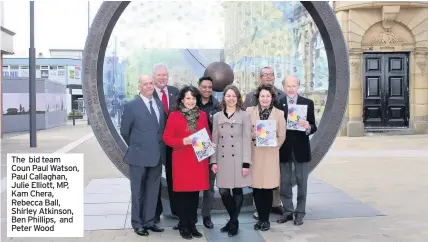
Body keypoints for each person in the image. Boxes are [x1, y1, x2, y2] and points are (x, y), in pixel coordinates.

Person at [162, 85, 211, 240]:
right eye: (188, 98)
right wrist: (183, 141)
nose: (190, 101)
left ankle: (192, 225)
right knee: (183, 195)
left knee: (195, 195)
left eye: (193, 98)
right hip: (182, 160)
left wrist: (210, 143)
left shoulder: (202, 115)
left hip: (198, 160)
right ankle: (183, 226)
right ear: (182, 99)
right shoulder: (174, 115)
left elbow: (207, 134)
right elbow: (167, 138)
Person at [120, 75, 166, 236]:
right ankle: (138, 223)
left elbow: (161, 129)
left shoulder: (159, 104)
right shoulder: (131, 106)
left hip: (156, 156)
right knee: (138, 191)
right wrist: (137, 145)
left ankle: (149, 221)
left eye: (151, 83)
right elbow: (124, 131)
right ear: (139, 86)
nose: (149, 86)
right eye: (145, 84)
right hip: (138, 156)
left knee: (153, 191)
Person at [244, 66, 286, 220]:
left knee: (271, 182)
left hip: (271, 151)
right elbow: (245, 127)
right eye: (265, 75)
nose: (268, 77)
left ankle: (275, 205)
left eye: (271, 74)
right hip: (255, 151)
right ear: (260, 78)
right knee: (257, 184)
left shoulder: (282, 96)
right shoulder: (249, 100)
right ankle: (260, 211)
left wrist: (275, 146)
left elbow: (282, 134)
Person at [210, 85, 251, 237]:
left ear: (238, 98)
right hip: (222, 159)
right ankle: (234, 221)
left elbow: (247, 140)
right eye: (228, 95)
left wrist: (246, 163)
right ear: (224, 98)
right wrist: (213, 161)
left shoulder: (245, 115)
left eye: (234, 96)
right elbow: (214, 139)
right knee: (223, 191)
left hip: (239, 159)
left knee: (238, 190)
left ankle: (233, 223)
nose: (231, 98)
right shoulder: (217, 117)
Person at [277, 75, 317, 226]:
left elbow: (314, 126)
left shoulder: (308, 103)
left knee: (302, 183)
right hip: (284, 149)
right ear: (284, 87)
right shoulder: (278, 104)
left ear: (298, 87)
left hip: (301, 149)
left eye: (294, 86)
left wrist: (308, 127)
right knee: (284, 182)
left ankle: (300, 213)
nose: (291, 89)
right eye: (288, 86)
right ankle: (288, 211)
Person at [152, 63, 180, 222]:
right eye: (159, 75)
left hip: (174, 144)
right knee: (155, 178)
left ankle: (176, 209)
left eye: (165, 75)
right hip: (156, 144)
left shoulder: (175, 92)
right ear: (153, 76)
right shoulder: (149, 94)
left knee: (174, 177)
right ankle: (156, 212)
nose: (162, 78)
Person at [197, 76, 220, 229]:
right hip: (193, 148)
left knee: (209, 186)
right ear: (199, 87)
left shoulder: (217, 105)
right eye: (204, 87)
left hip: (210, 149)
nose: (207, 90)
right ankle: (189, 216)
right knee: (192, 185)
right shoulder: (192, 101)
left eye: (209, 87)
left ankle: (207, 216)